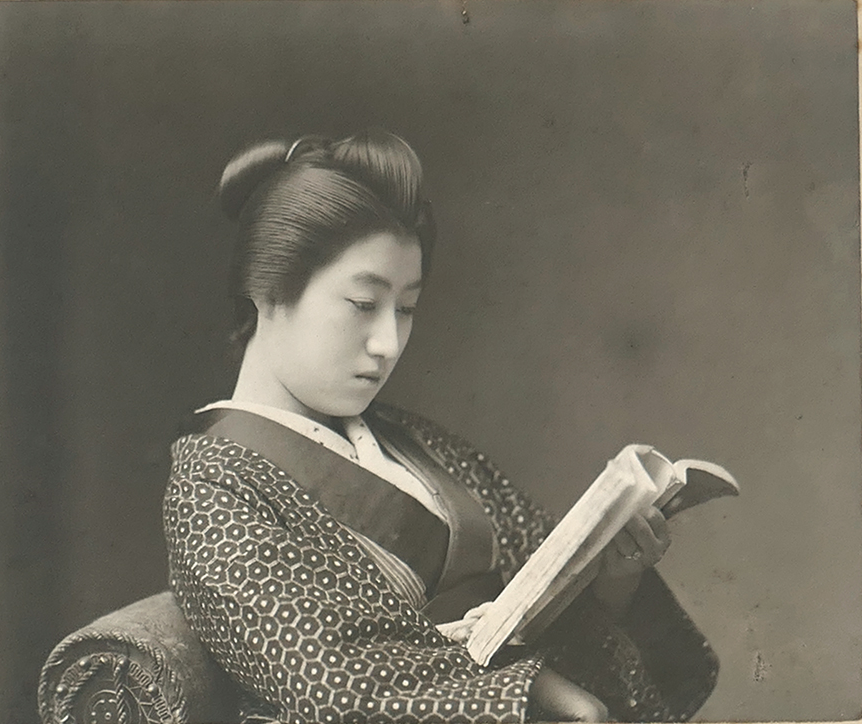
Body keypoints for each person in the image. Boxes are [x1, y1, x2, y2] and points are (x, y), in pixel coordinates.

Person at [163, 129, 718, 723]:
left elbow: (541, 574)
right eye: (363, 304)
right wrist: (541, 695)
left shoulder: (410, 441)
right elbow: (335, 684)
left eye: (406, 309)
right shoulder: (211, 489)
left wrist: (613, 580)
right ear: (268, 291)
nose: (388, 343)